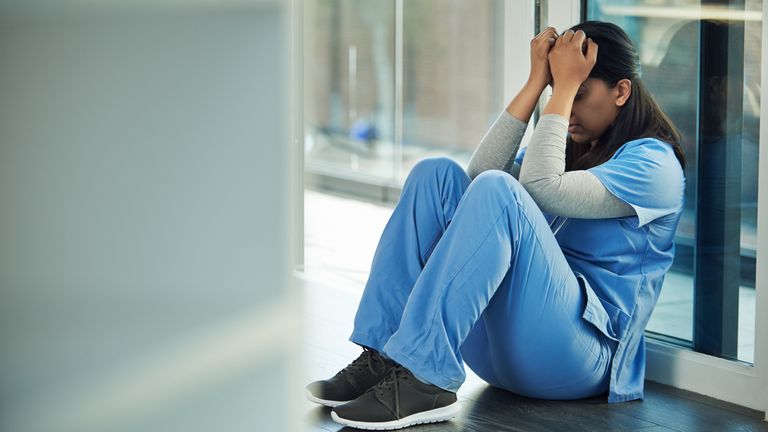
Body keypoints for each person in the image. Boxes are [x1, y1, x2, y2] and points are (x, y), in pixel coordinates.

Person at [306, 20, 687, 430]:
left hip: (580, 359)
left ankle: (427, 379)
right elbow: (475, 184)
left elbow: (537, 190)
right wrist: (535, 83)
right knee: (434, 176)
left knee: (501, 191)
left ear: (621, 91)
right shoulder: (571, 147)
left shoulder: (655, 165)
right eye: (561, 92)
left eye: (579, 91)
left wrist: (559, 92)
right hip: (503, 350)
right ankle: (386, 357)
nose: (568, 107)